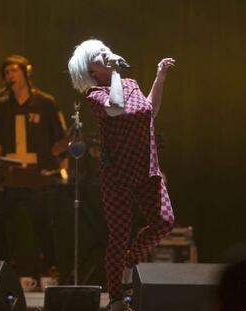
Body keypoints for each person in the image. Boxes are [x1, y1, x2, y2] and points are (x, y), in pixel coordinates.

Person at [68, 39, 175, 311]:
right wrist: (115, 74)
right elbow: (116, 108)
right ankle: (115, 299)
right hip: (117, 174)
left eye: (104, 49)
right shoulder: (95, 95)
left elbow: (150, 111)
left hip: (147, 168)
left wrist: (160, 76)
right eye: (97, 55)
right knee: (119, 234)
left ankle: (129, 260)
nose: (104, 54)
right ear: (90, 70)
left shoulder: (130, 83)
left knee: (165, 222)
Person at [0, 54, 68, 279]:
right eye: (6, 73)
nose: (10, 75)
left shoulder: (45, 103)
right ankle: (3, 269)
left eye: (13, 70)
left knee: (42, 222)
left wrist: (64, 169)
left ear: (26, 72)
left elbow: (60, 140)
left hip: (36, 176)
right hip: (9, 177)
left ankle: (52, 267)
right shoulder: (0, 106)